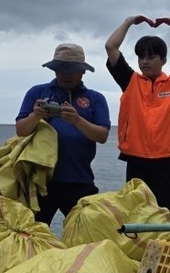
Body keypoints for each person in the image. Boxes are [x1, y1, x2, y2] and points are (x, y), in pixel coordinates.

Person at [104, 14, 170, 218]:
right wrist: (129, 21)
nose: (144, 62)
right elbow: (111, 47)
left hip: (169, 162)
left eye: (151, 57)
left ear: (163, 60)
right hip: (136, 160)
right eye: (141, 57)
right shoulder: (130, 81)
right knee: (136, 216)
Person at [15, 44, 111, 224]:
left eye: (72, 70)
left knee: (86, 232)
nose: (67, 74)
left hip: (80, 179)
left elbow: (102, 136)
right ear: (54, 70)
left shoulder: (95, 98)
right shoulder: (37, 92)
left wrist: (77, 120)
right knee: (33, 232)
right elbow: (21, 130)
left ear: (83, 71)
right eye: (61, 69)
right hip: (41, 180)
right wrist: (36, 115)